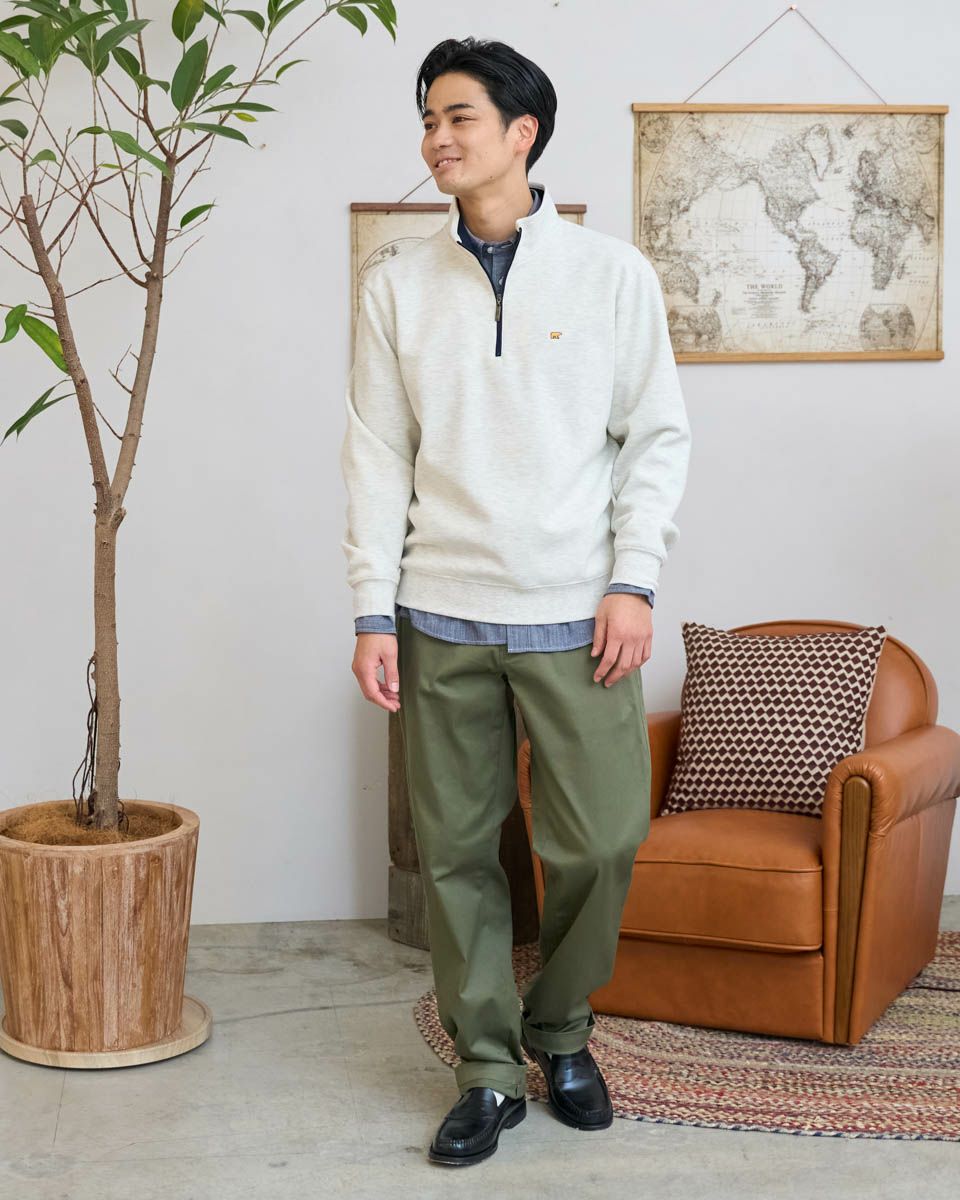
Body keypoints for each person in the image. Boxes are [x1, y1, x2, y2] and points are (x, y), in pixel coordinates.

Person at [339, 36, 692, 1167]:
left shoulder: (611, 275)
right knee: (453, 854)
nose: (435, 139)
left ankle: (564, 1029)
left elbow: (656, 438)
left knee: (602, 840)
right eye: (427, 119)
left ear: (522, 132)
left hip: (578, 613)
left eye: (458, 118)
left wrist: (633, 581)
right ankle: (487, 1068)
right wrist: (371, 608)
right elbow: (374, 454)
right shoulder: (396, 284)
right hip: (438, 611)